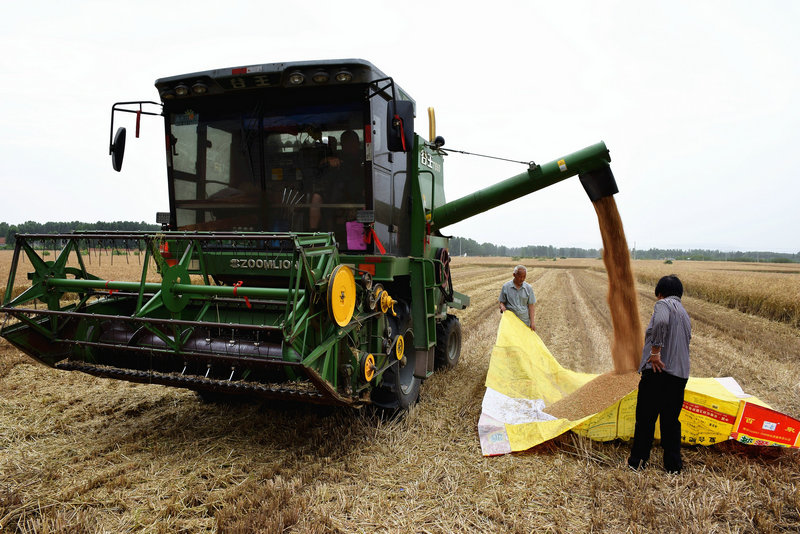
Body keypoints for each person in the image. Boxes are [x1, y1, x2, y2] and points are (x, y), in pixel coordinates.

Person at [628, 275, 692, 474]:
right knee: (671, 422)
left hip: (658, 372)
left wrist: (655, 352)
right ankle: (673, 467)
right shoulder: (684, 313)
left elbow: (661, 322)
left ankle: (638, 462)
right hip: (679, 376)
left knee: (646, 419)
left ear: (660, 292)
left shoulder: (663, 304)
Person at [498, 265, 536, 331]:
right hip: (510, 322)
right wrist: (502, 306)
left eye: (524, 277)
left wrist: (532, 322)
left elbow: (531, 306)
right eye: (520, 276)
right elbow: (502, 302)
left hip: (524, 321)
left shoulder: (528, 288)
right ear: (514, 275)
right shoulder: (506, 287)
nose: (522, 279)